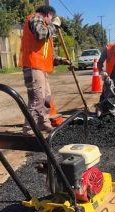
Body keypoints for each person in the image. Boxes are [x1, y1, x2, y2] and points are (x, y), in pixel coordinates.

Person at [19, 5, 71, 135]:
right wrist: (54, 25)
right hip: (33, 66)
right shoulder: (35, 18)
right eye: (51, 18)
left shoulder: (44, 26)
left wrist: (61, 60)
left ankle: (43, 123)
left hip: (41, 67)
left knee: (46, 98)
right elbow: (40, 34)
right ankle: (29, 130)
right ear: (48, 15)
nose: (51, 20)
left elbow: (46, 53)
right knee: (37, 99)